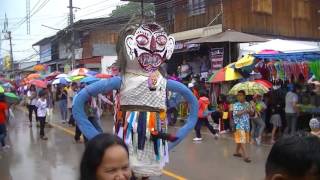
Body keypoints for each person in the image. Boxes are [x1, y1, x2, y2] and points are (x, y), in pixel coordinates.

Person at [232, 90, 252, 163]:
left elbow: (251, 114)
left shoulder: (247, 104)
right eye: (238, 95)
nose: (239, 96)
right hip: (239, 124)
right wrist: (245, 110)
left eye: (241, 95)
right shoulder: (235, 105)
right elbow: (236, 114)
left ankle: (236, 152)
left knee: (240, 140)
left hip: (246, 125)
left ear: (244, 96)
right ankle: (246, 156)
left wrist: (251, 109)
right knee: (242, 140)